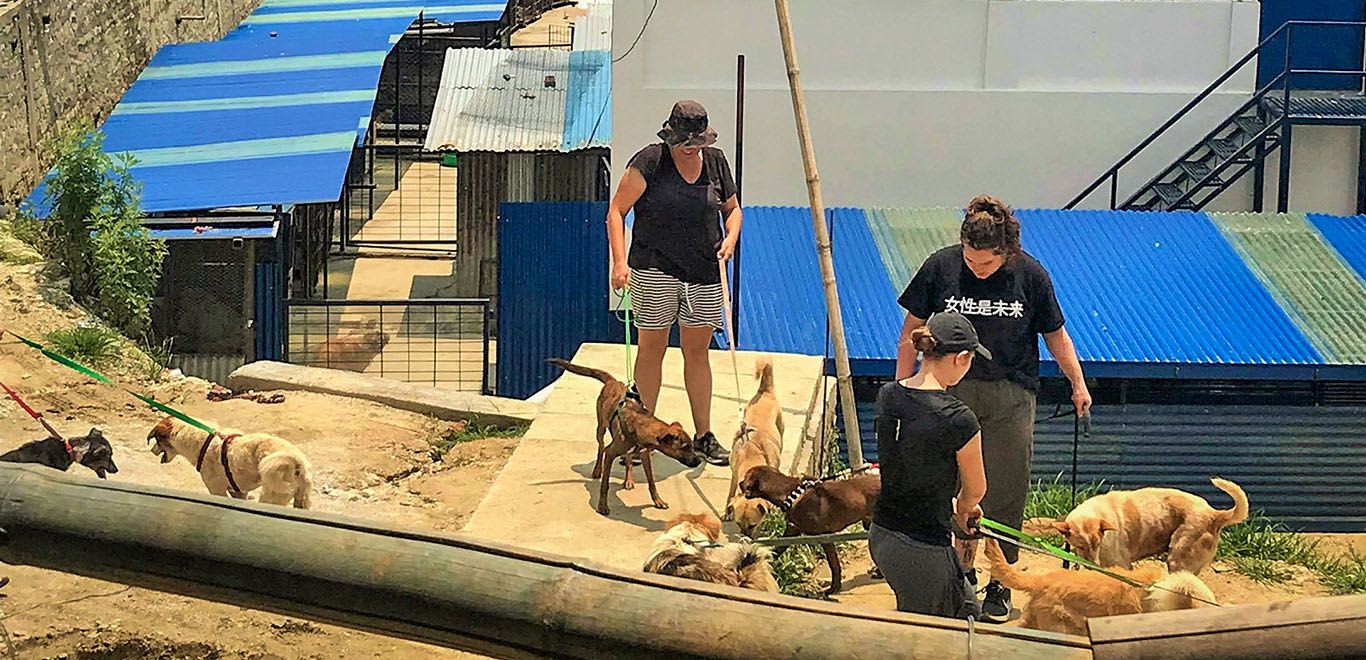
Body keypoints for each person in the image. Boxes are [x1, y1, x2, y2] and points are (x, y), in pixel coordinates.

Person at [894, 195, 1091, 623]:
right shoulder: (940, 267)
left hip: (1010, 393)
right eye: (970, 259)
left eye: (986, 264)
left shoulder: (1031, 275)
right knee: (952, 487)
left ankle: (1001, 580)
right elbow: (911, 329)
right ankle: (960, 573)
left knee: (1004, 489)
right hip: (949, 392)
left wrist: (1077, 382)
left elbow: (1057, 334)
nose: (977, 269)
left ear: (1007, 252)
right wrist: (903, 384)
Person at [605, 100, 742, 466]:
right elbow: (616, 212)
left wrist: (730, 239)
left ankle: (704, 435)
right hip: (654, 267)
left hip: (703, 270)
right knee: (653, 349)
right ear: (671, 136)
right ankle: (640, 434)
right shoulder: (649, 161)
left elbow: (733, 209)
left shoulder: (715, 161)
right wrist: (620, 262)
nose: (690, 148)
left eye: (696, 142)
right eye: (684, 142)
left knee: (697, 352)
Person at [869, 312, 988, 619]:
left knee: (969, 613)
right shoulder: (959, 418)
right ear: (961, 358)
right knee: (930, 637)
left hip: (883, 534)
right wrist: (964, 509)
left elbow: (910, 462)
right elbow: (976, 489)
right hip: (922, 546)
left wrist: (947, 500)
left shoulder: (888, 395)